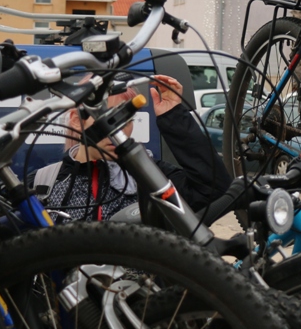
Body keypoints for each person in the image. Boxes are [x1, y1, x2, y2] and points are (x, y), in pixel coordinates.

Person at [39, 75, 232, 221]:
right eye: (106, 117)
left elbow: (213, 190)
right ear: (75, 119)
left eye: (126, 118)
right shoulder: (43, 183)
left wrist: (173, 116)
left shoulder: (150, 176)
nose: (117, 129)